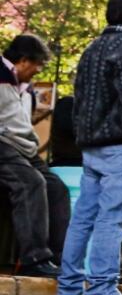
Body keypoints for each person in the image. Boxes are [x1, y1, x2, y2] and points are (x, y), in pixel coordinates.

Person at [56, 0, 122, 295]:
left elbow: (79, 100)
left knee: (82, 219)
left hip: (91, 147)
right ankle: (102, 290)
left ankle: (69, 290)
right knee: (113, 220)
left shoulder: (91, 49)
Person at [0, 34, 70, 278]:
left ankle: (59, 258)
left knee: (57, 188)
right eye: (37, 65)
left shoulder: (25, 87)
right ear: (23, 60)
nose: (38, 71)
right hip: (3, 144)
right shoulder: (1, 75)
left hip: (23, 148)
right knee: (31, 183)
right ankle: (34, 258)